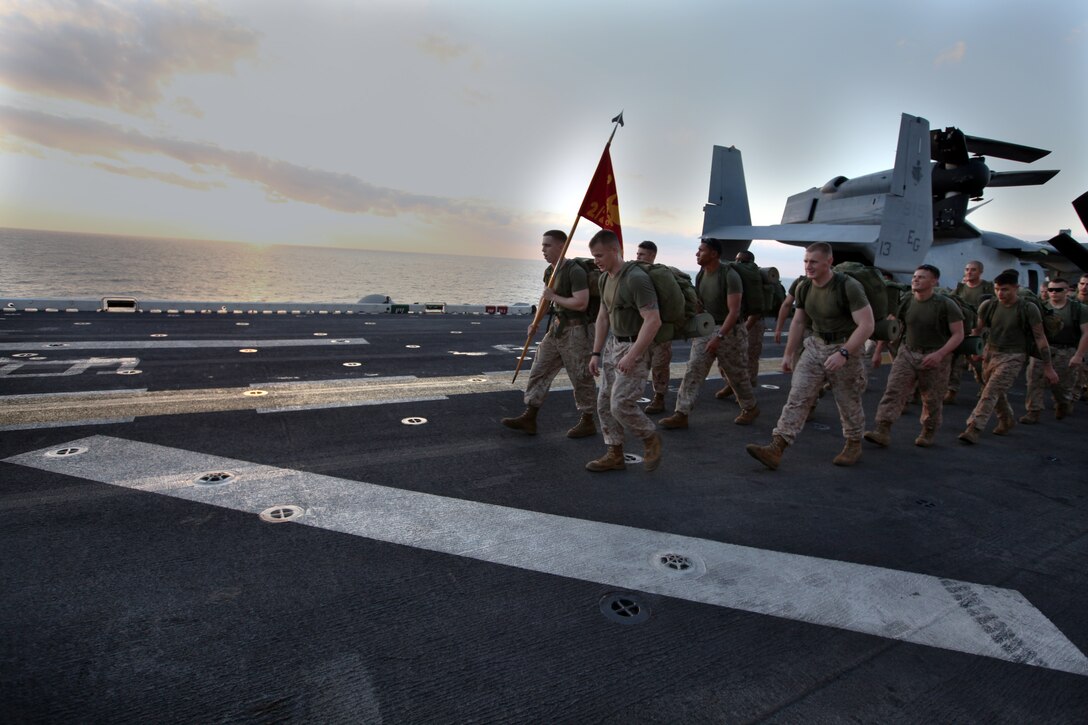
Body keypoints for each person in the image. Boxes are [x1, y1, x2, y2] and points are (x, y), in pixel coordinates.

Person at [746, 242, 874, 469]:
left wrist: (844, 353)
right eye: (806, 261)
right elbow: (799, 320)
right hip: (815, 345)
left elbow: (866, 325)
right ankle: (777, 446)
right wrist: (787, 354)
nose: (808, 266)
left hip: (845, 346)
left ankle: (854, 442)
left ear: (829, 262)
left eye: (814, 262)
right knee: (798, 395)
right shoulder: (804, 286)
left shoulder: (848, 286)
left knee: (847, 399)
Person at [501, 229, 597, 438]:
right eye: (542, 245)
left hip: (577, 330)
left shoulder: (574, 271)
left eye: (547, 245)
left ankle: (588, 419)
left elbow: (581, 303)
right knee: (539, 369)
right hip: (556, 328)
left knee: (580, 376)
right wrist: (535, 322)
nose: (543, 249)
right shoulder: (550, 271)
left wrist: (554, 296)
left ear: (562, 246)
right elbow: (545, 298)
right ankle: (530, 416)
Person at [660, 240, 759, 431]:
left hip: (730, 332)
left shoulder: (729, 276)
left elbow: (734, 312)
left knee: (736, 373)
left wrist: (719, 337)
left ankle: (750, 407)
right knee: (693, 370)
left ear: (714, 254)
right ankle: (681, 413)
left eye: (701, 250)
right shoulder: (701, 274)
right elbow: (701, 305)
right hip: (708, 328)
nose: (697, 254)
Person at [585, 230, 663, 472]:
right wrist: (596, 352)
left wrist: (632, 356)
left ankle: (650, 438)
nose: (596, 260)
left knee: (620, 404)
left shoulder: (636, 278)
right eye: (593, 256)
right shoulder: (604, 278)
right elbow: (602, 317)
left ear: (615, 251)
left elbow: (653, 320)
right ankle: (614, 453)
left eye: (599, 255)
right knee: (604, 403)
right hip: (613, 345)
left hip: (635, 346)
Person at [864, 264, 964, 448]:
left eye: (922, 277)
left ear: (934, 281)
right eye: (915, 276)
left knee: (932, 398)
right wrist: (878, 351)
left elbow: (959, 334)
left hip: (936, 355)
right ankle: (882, 430)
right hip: (908, 352)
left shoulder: (945, 304)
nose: (915, 279)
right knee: (893, 390)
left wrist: (940, 354)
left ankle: (928, 431)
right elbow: (893, 327)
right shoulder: (907, 301)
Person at [958, 270, 1058, 443]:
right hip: (990, 352)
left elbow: (1040, 337)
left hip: (1014, 355)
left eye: (1005, 289)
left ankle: (974, 427)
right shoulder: (989, 305)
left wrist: (1048, 367)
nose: (1000, 293)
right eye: (997, 289)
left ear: (1016, 288)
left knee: (991, 390)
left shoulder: (1028, 308)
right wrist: (975, 349)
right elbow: (978, 329)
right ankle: (1006, 419)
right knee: (995, 390)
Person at [1019, 278, 1087, 422]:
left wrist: (1079, 355)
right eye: (1051, 290)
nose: (1054, 293)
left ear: (1067, 291)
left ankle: (1063, 402)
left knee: (1061, 385)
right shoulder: (1040, 308)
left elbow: (1086, 333)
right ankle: (1033, 411)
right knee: (1033, 380)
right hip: (1043, 349)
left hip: (1066, 350)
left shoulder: (1078, 309)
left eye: (1058, 290)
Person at [946, 260, 994, 403]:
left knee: (978, 364)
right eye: (967, 269)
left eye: (973, 270)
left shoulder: (987, 289)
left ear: (980, 272)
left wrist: (979, 329)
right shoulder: (960, 289)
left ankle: (986, 386)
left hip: (981, 330)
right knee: (955, 361)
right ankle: (951, 390)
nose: (969, 272)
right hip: (963, 328)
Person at [635, 241, 672, 414]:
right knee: (637, 366)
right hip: (640, 330)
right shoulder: (635, 274)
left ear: (652, 256)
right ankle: (631, 397)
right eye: (637, 254)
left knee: (659, 366)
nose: (638, 257)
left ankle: (659, 398)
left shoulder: (660, 275)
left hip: (661, 332)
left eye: (642, 254)